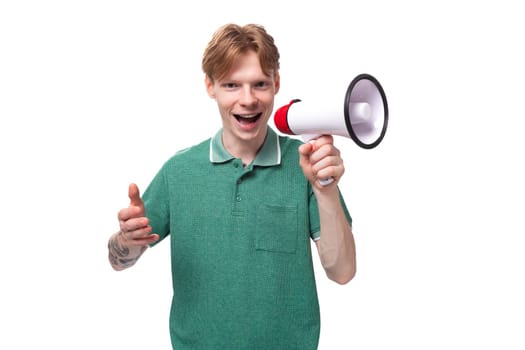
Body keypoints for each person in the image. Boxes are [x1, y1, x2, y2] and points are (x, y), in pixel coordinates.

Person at [108, 23, 356, 350]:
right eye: (231, 85)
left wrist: (324, 188)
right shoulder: (178, 171)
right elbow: (117, 260)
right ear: (210, 86)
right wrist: (126, 239)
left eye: (260, 84)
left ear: (276, 84)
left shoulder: (306, 164)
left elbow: (342, 272)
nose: (248, 100)